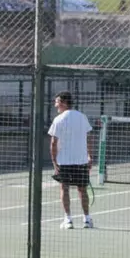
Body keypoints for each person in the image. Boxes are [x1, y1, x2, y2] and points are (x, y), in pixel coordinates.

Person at [47, 92, 95, 229]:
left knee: (64, 188)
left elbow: (53, 143)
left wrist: (54, 161)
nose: (55, 104)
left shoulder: (58, 120)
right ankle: (86, 219)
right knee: (82, 189)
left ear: (63, 102)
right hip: (81, 161)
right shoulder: (82, 117)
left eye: (57, 102)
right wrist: (89, 156)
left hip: (64, 161)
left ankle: (68, 219)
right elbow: (89, 138)